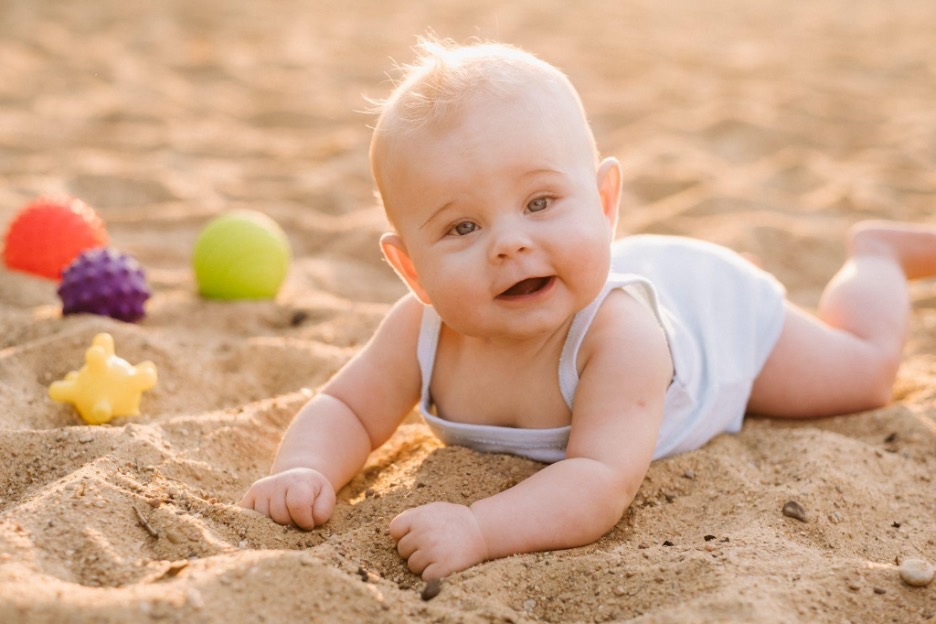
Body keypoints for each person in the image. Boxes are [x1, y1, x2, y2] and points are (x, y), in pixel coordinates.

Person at [240, 39, 936, 580]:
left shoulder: (618, 337)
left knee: (866, 373)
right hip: (657, 277)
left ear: (604, 205)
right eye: (462, 227)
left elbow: (599, 482)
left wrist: (479, 528)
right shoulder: (419, 329)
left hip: (720, 322)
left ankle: (875, 255)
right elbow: (347, 407)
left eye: (540, 202)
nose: (510, 242)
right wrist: (306, 469)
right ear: (412, 271)